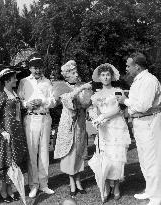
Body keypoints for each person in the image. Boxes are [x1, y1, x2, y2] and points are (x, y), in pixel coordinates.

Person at [116, 52, 161, 205]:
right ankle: (150, 190)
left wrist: (125, 101)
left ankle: (157, 196)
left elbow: (143, 105)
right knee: (143, 159)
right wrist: (128, 99)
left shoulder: (149, 80)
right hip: (140, 123)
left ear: (137, 66)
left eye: (129, 65)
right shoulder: (138, 80)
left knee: (152, 160)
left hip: (149, 122)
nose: (126, 68)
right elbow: (138, 101)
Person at [88, 63, 131, 203]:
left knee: (116, 157)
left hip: (116, 127)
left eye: (108, 75)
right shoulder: (96, 95)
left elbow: (120, 109)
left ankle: (116, 186)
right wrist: (95, 117)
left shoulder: (118, 90)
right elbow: (92, 110)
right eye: (103, 75)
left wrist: (104, 117)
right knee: (105, 157)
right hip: (103, 129)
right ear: (99, 77)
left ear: (111, 77)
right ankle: (106, 186)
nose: (105, 77)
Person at [17, 55, 56, 198]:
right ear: (30, 68)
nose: (37, 70)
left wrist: (43, 101)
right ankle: (33, 185)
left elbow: (53, 101)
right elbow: (19, 100)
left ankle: (44, 184)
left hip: (45, 118)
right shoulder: (24, 81)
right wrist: (27, 104)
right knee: (32, 153)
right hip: (31, 118)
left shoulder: (47, 81)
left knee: (44, 151)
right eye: (34, 67)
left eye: (39, 67)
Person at [54, 60, 92, 196]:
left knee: (79, 151)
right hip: (68, 124)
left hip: (80, 123)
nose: (76, 75)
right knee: (70, 152)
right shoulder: (61, 87)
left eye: (76, 72)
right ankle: (72, 182)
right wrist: (80, 89)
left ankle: (78, 180)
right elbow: (68, 100)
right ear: (67, 75)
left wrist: (86, 101)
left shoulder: (82, 86)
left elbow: (87, 102)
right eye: (73, 73)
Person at [0, 68, 27, 203]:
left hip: (17, 129)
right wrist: (2, 131)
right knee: (9, 161)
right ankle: (4, 191)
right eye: (14, 78)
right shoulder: (2, 95)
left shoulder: (13, 93)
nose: (16, 80)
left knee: (15, 160)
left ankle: (9, 189)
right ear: (7, 80)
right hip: (8, 131)